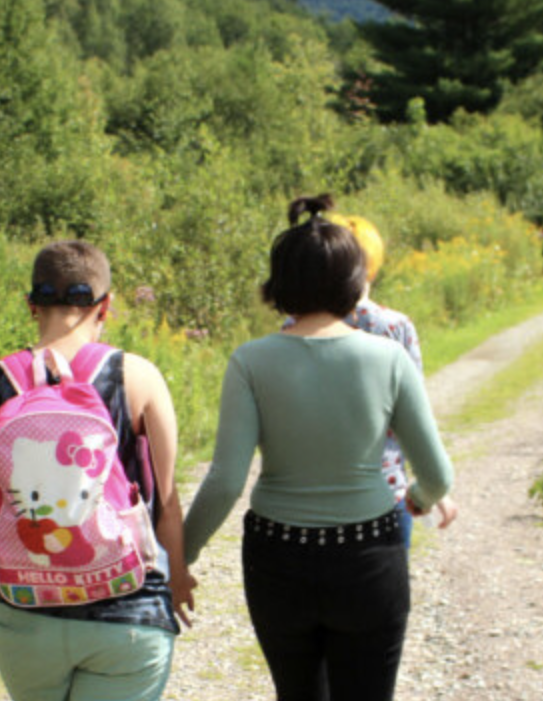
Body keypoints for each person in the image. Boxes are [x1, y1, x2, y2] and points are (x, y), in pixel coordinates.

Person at [182, 195, 457, 701]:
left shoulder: (250, 362)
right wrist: (417, 498)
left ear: (278, 284)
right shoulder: (389, 358)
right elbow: (438, 474)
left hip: (277, 557)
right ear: (356, 281)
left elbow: (224, 481)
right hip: (370, 555)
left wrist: (183, 554)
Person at [0, 241, 196, 701]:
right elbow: (168, 504)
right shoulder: (138, 377)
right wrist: (176, 580)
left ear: (31, 305)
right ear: (106, 305)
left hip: (25, 615)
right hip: (128, 611)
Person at [333, 213, 424, 547]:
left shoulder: (295, 327)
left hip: (318, 502)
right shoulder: (396, 326)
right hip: (386, 493)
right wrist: (429, 488)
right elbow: (414, 416)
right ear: (372, 265)